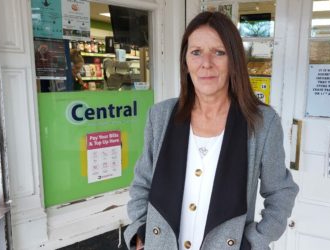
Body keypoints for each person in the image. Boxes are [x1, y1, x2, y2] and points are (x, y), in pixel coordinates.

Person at [124, 11, 299, 250]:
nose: (206, 63)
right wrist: (138, 232)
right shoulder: (160, 115)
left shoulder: (261, 122)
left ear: (234, 60)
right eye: (196, 52)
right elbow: (142, 183)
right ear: (185, 61)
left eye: (219, 52)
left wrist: (255, 241)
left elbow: (281, 192)